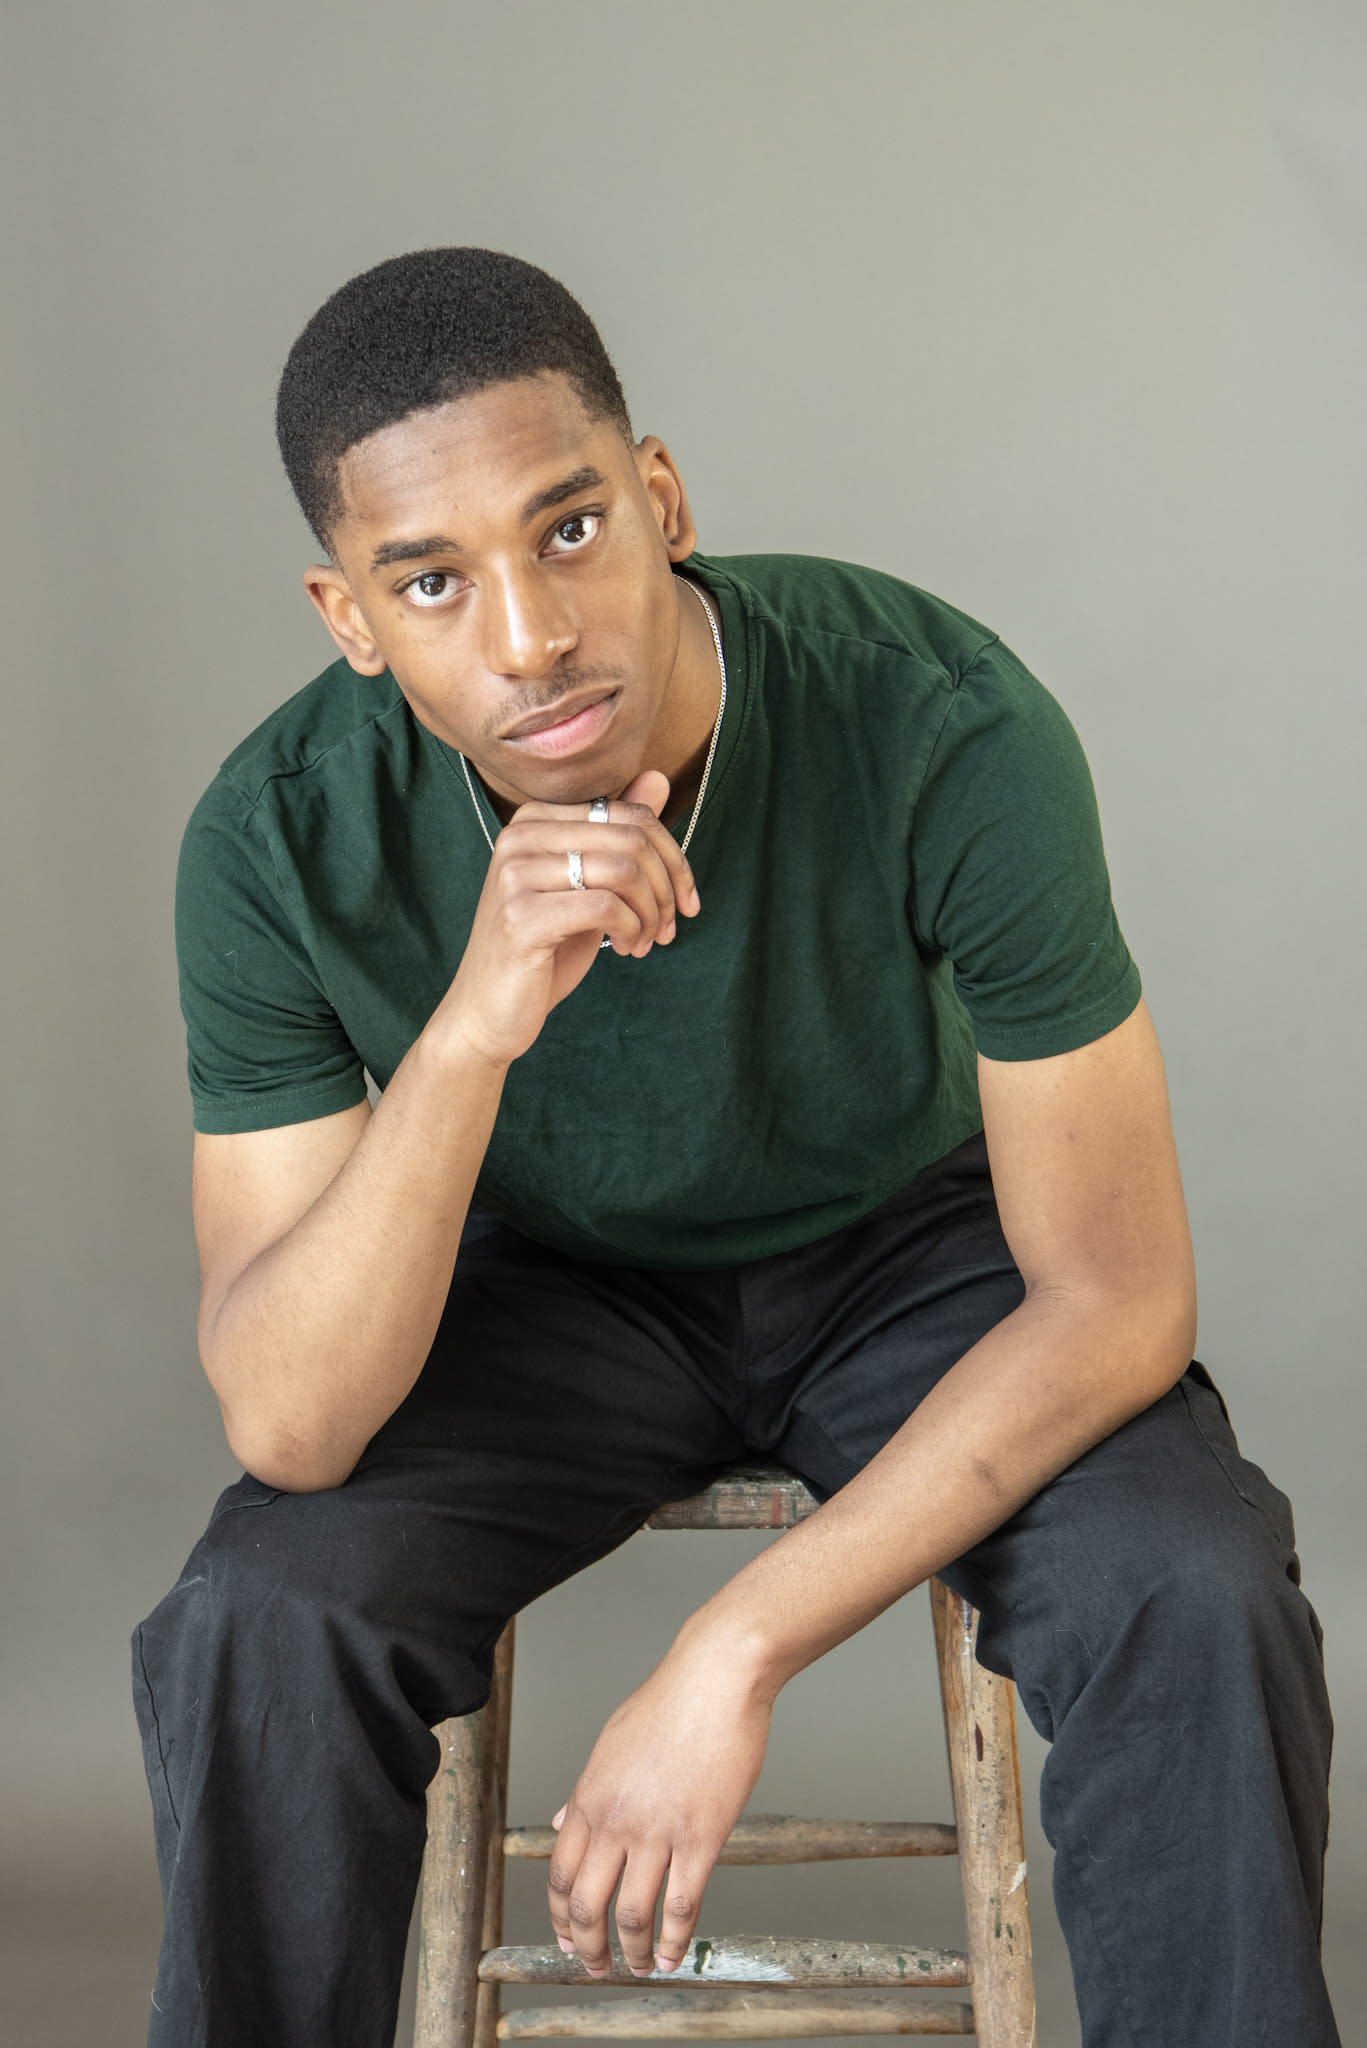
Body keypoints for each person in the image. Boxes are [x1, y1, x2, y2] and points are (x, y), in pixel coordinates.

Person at [133, 247, 1339, 2048]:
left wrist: (737, 1646)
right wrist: (470, 1028)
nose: (529, 638)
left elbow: (1118, 1294)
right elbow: (293, 1423)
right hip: (547, 1289)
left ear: (664, 500)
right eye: (433, 581)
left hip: (916, 1253)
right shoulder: (275, 838)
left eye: (567, 530)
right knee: (257, 1619)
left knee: (1197, 1583)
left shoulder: (941, 719)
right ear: (349, 617)